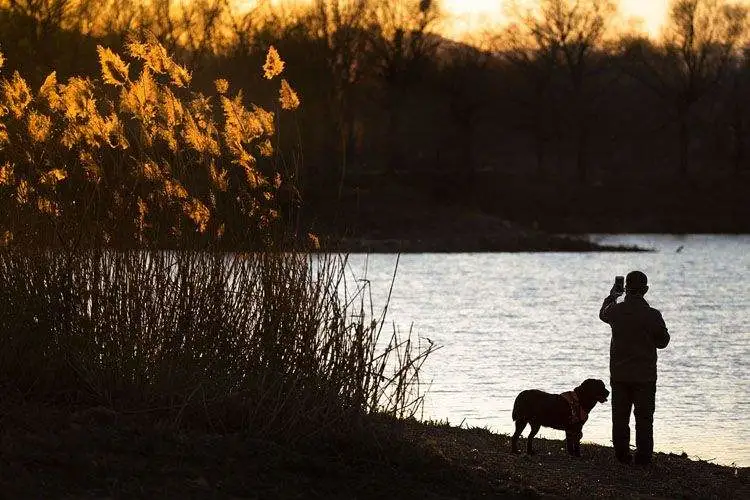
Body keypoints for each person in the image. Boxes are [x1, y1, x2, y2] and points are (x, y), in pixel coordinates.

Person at [599, 270, 670, 465]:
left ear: (625, 288)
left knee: (620, 418)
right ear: (645, 290)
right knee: (644, 419)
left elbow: (602, 314)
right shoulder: (653, 315)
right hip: (645, 377)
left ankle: (622, 456)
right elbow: (663, 342)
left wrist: (613, 295)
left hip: (620, 375)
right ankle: (643, 459)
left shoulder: (615, 310)